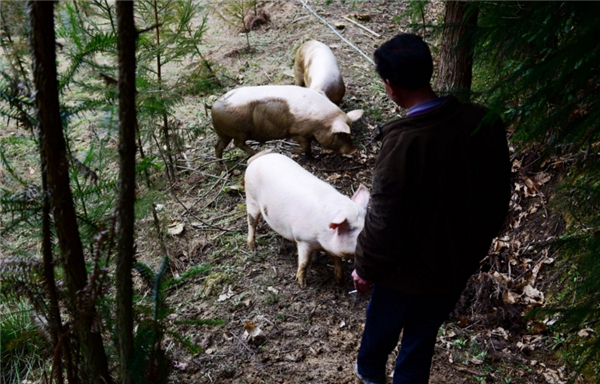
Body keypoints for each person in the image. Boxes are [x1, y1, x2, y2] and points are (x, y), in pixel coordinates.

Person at [352, 33, 511, 384]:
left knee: (376, 346)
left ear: (390, 87)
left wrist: (365, 267)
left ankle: (369, 377)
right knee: (420, 344)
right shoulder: (484, 122)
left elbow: (383, 222)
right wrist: (473, 248)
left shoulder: (401, 146)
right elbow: (500, 193)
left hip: (401, 275)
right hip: (453, 268)